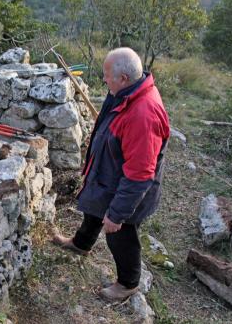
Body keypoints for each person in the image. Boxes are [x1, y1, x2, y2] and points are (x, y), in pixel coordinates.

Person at [52, 47, 170, 301]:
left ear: (124, 78)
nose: (104, 80)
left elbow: (139, 174)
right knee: (94, 210)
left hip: (129, 189)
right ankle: (81, 244)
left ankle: (128, 283)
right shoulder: (126, 92)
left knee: (120, 234)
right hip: (111, 175)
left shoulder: (142, 114)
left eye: (107, 76)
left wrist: (117, 214)